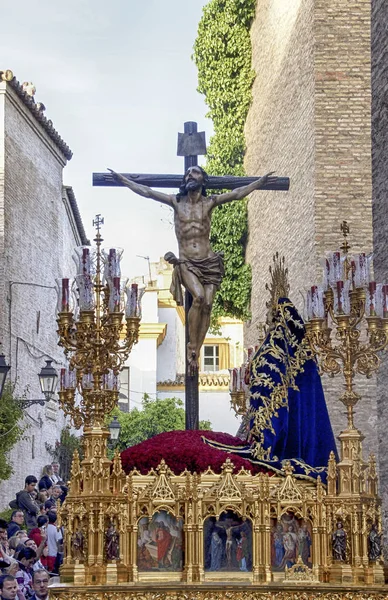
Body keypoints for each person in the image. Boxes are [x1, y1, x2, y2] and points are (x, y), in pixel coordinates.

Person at [109, 166, 277, 373]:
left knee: (207, 304)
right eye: (188, 173)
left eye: (195, 173)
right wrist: (124, 180)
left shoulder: (209, 203)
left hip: (209, 261)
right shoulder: (176, 202)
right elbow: (148, 192)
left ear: (203, 180)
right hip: (187, 262)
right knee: (197, 297)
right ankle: (192, 347)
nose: (190, 175)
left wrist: (259, 183)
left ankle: (197, 348)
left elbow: (236, 193)